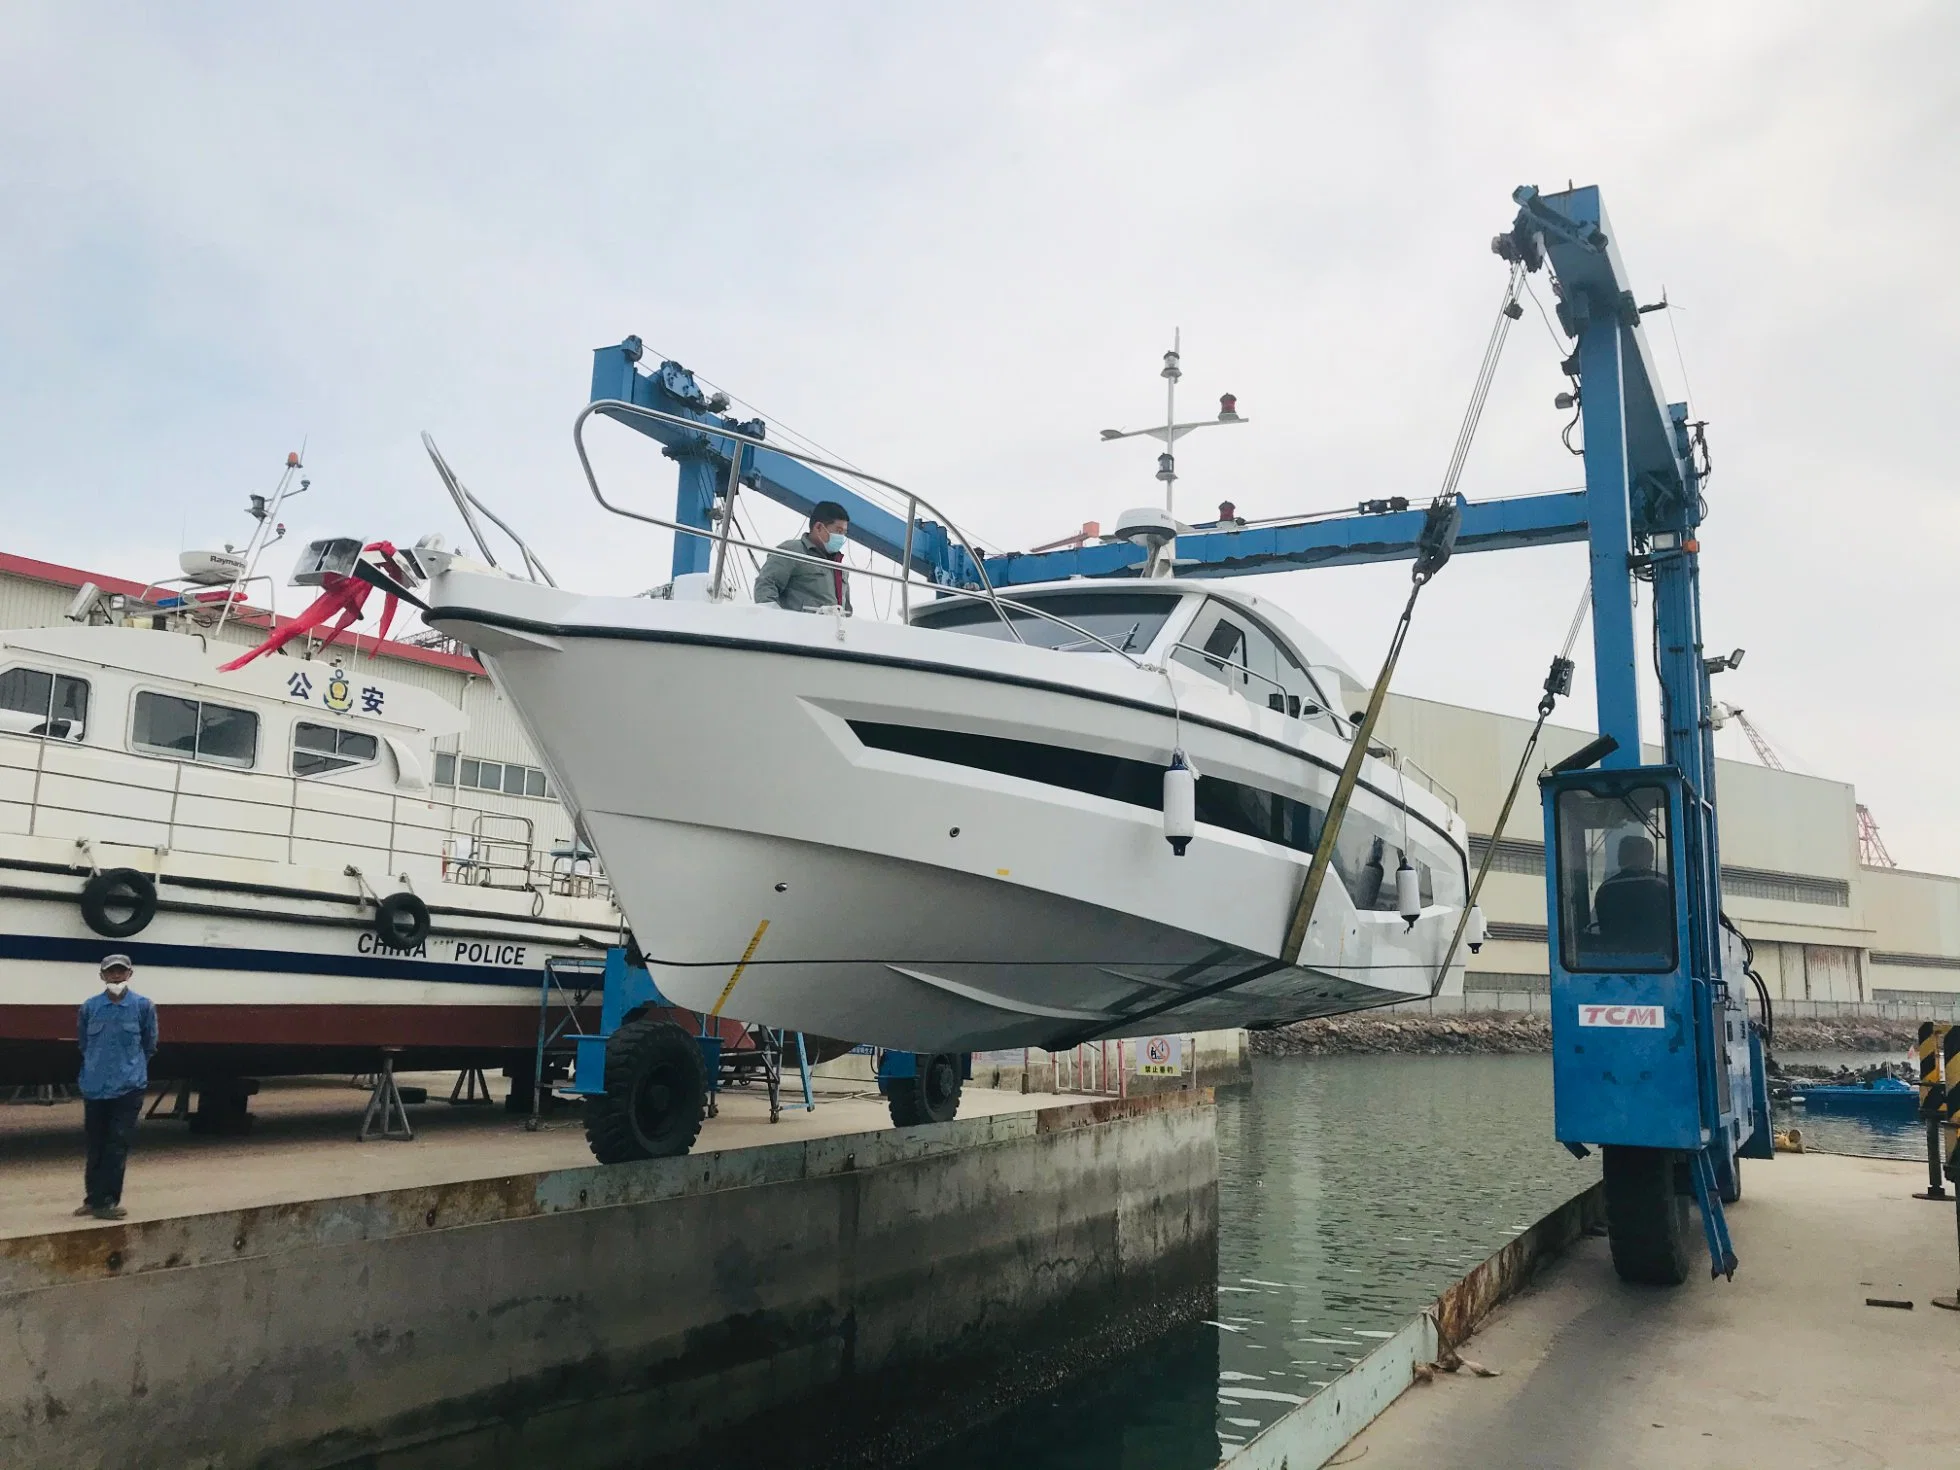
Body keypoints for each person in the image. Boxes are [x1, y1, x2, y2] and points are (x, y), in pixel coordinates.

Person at [75, 954, 158, 1221]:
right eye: (111, 972)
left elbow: (149, 1044)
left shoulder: (143, 1007)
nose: (116, 976)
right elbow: (83, 1043)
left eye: (121, 972)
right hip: (95, 1086)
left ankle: (108, 1200)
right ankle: (92, 1198)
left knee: (116, 1143)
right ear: (102, 976)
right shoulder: (90, 1007)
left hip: (128, 1087)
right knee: (95, 1144)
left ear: (129, 974)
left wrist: (131, 1068)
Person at [754, 501, 851, 612]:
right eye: (838, 531)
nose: (841, 537)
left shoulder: (840, 567)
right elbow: (766, 584)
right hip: (797, 626)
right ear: (818, 527)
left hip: (832, 628)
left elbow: (847, 610)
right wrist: (775, 620)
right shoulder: (793, 551)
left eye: (844, 533)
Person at [1592, 833, 1672, 955]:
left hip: (1614, 958)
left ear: (1620, 858)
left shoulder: (1605, 889)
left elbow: (1603, 924)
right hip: (1660, 956)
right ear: (1650, 857)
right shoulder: (1665, 884)